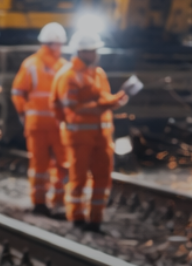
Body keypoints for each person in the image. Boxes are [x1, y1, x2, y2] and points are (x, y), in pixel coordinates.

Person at [52, 30, 128, 232]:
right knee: (79, 179)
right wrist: (103, 105)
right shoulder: (68, 76)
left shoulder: (98, 74)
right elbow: (71, 109)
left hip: (102, 137)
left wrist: (115, 101)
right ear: (81, 52)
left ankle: (96, 219)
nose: (96, 54)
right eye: (92, 51)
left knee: (103, 178)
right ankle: (77, 217)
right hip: (79, 137)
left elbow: (103, 99)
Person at [11, 22, 69, 218]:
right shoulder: (64, 67)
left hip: (36, 125)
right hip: (57, 126)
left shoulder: (30, 64)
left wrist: (23, 114)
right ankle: (59, 202)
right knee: (62, 164)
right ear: (53, 44)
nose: (60, 48)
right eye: (59, 44)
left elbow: (17, 93)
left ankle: (39, 203)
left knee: (39, 166)